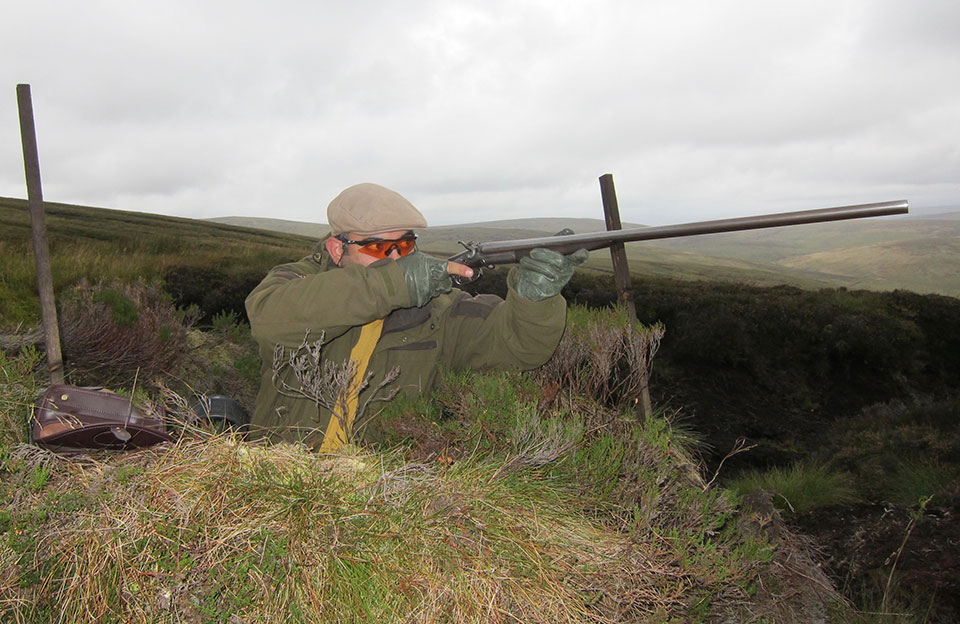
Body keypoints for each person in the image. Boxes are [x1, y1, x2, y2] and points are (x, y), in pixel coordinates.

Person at [245, 182, 587, 451]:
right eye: (378, 248)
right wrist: (394, 285)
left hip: (384, 501)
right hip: (277, 478)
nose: (395, 259)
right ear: (338, 249)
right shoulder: (296, 283)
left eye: (405, 246)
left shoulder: (439, 307)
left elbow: (518, 347)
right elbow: (268, 320)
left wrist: (533, 299)